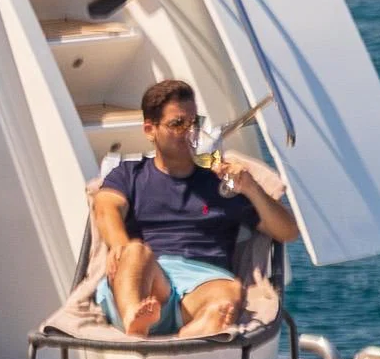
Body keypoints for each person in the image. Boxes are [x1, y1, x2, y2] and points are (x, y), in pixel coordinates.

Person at [89, 78, 299, 336]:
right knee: (135, 252)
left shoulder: (222, 183)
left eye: (194, 123)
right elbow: (105, 206)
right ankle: (136, 321)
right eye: (177, 124)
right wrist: (119, 244)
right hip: (149, 278)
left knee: (230, 292)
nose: (189, 132)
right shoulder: (130, 174)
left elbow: (287, 231)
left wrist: (252, 188)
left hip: (203, 282)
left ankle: (189, 335)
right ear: (150, 129)